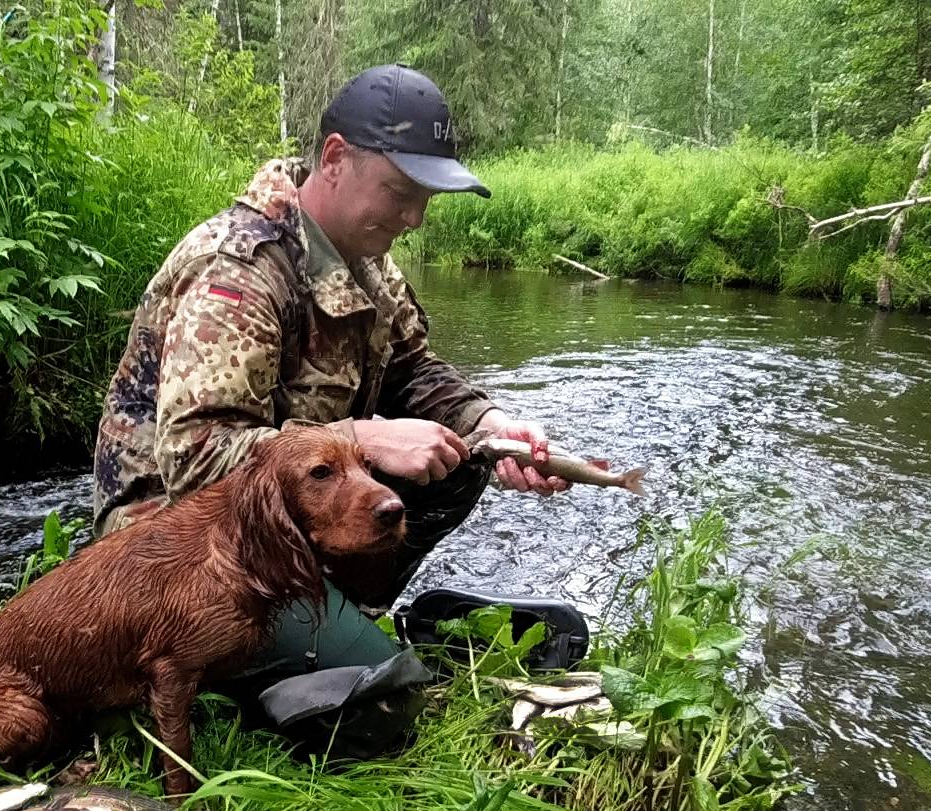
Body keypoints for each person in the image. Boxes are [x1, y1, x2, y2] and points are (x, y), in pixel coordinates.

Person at [90, 64, 578, 754]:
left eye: (425, 199)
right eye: (401, 193)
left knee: (458, 456)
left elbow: (415, 370)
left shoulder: (367, 260)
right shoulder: (240, 268)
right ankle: (299, 659)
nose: (414, 218)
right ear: (335, 159)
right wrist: (363, 439)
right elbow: (195, 462)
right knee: (389, 706)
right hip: (174, 549)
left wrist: (491, 427)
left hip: (286, 525)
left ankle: (342, 621)